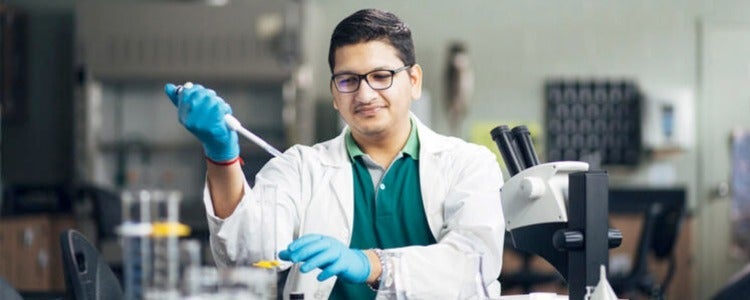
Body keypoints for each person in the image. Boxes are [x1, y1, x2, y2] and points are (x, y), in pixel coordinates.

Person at [164, 8, 505, 299]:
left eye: (381, 76)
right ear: (334, 92)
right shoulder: (299, 167)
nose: (365, 93)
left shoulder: (468, 164)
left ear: (414, 80)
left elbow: (473, 263)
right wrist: (221, 154)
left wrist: (370, 264)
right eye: (348, 80)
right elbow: (247, 259)